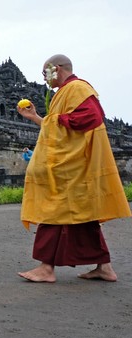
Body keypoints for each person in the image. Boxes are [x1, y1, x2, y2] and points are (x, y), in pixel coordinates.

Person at [17, 54, 131, 283]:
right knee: (83, 216)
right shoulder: (64, 93)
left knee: (52, 211)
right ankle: (104, 267)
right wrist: (36, 118)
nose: (44, 79)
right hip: (73, 164)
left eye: (45, 73)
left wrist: (50, 121)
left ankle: (46, 268)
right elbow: (63, 124)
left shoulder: (77, 87)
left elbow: (91, 118)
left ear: (56, 69)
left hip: (72, 166)